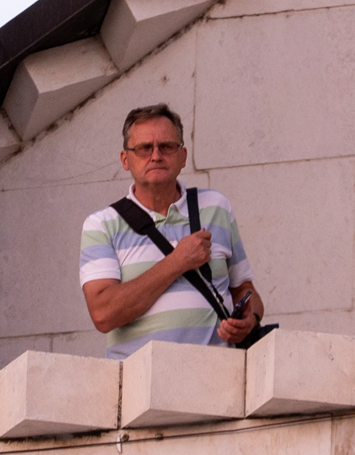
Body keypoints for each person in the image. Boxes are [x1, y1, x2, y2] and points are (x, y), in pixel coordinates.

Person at [79, 104, 265, 357]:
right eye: (144, 148)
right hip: (140, 383)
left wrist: (249, 319)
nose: (156, 156)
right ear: (125, 159)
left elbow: (245, 290)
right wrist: (177, 261)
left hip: (219, 375)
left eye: (167, 146)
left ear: (183, 156)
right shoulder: (101, 224)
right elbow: (103, 314)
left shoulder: (216, 207)